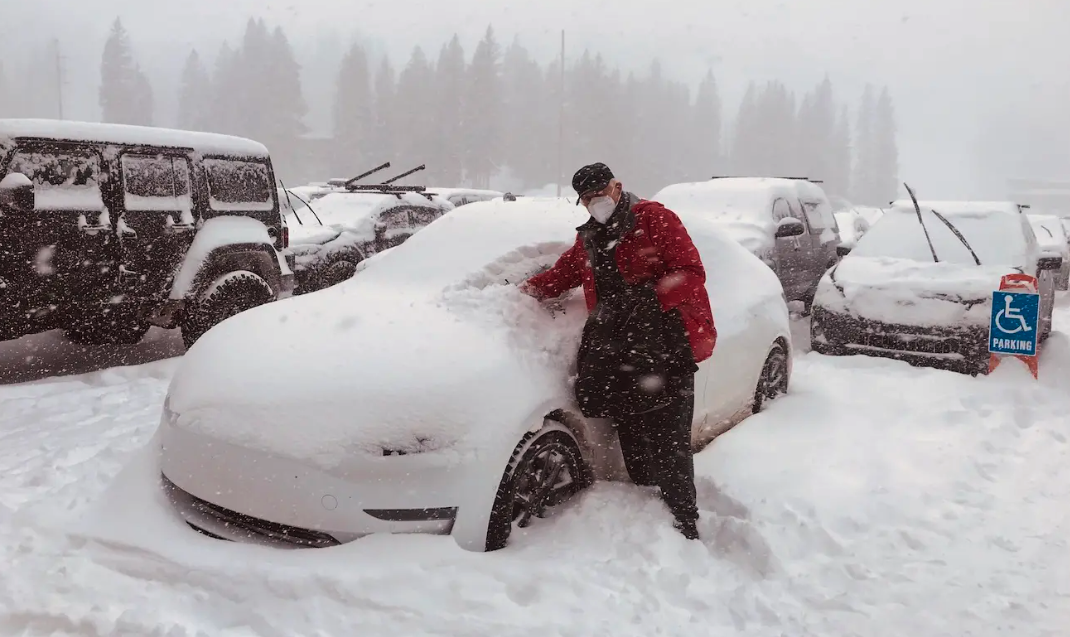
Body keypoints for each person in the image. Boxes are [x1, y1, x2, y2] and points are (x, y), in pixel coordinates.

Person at [520, 163, 715, 540]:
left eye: (601, 192)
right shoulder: (590, 237)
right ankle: (647, 502)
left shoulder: (655, 219)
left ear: (617, 187)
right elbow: (562, 276)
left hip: (665, 341)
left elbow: (691, 272)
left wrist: (645, 300)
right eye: (588, 198)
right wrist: (517, 296)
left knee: (669, 438)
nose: (597, 202)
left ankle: (684, 520)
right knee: (631, 428)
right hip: (620, 347)